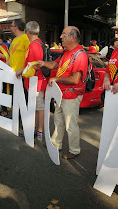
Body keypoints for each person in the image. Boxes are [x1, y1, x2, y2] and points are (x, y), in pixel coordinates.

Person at [35, 26, 88, 159]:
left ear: (73, 38)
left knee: (70, 124)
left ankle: (74, 150)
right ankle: (56, 143)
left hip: (71, 95)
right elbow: (55, 65)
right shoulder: (66, 52)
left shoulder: (80, 55)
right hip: (61, 94)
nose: (60, 37)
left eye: (64, 34)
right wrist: (42, 63)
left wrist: (56, 78)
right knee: (58, 120)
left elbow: (75, 79)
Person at [16, 21, 48, 142]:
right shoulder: (39, 43)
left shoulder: (34, 45)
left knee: (38, 107)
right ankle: (35, 130)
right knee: (35, 107)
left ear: (28, 32)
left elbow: (34, 66)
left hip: (36, 82)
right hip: (37, 81)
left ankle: (38, 131)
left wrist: (21, 70)